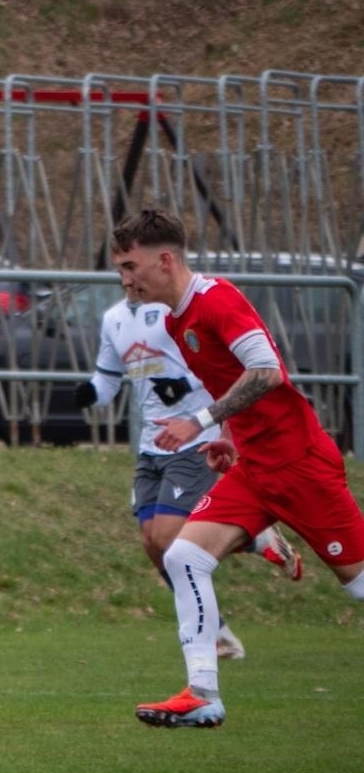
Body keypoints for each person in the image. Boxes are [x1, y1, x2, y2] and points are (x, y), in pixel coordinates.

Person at [112, 208, 364, 728]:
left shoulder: (217, 302)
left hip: (299, 466)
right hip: (253, 469)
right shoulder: (179, 319)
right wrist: (228, 436)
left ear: (164, 260)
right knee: (183, 556)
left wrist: (200, 422)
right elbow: (230, 380)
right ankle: (203, 692)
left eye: (130, 266)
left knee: (359, 582)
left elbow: (268, 372)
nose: (125, 279)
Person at [75, 275, 304, 662]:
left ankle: (253, 539)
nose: (129, 277)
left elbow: (212, 369)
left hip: (195, 438)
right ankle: (220, 631)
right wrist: (87, 393)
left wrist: (192, 400)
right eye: (122, 268)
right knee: (153, 544)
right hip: (152, 445)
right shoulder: (113, 318)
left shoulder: (171, 312)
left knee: (167, 538)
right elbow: (107, 380)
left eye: (133, 265)